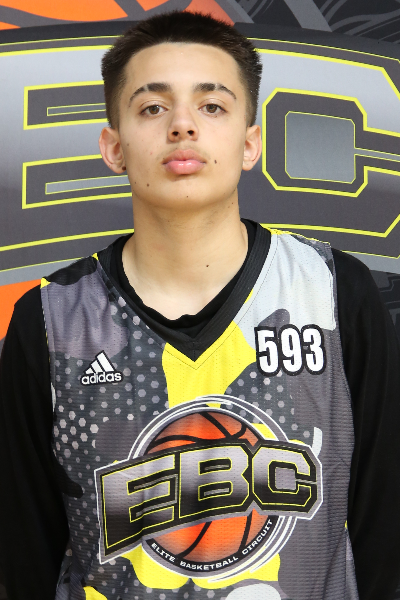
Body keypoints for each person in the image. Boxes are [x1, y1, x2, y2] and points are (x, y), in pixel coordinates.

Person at [0, 11, 399, 600]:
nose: (182, 125)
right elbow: (22, 557)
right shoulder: (51, 320)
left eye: (211, 106)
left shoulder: (334, 293)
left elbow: (385, 538)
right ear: (113, 147)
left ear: (249, 143)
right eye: (152, 108)